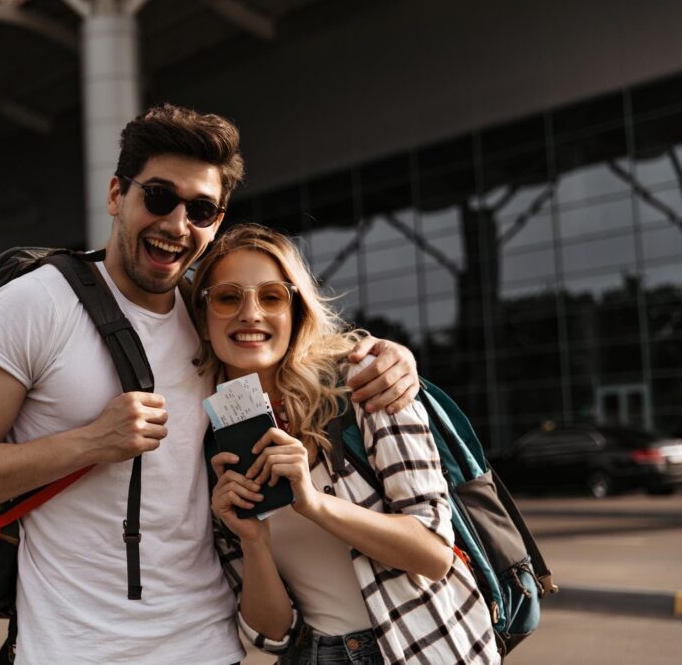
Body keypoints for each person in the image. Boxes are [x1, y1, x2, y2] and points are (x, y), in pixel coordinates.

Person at [0, 105, 421, 664]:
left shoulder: (210, 316)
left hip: (206, 645)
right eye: (159, 197)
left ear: (217, 222)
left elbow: (297, 349)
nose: (178, 224)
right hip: (73, 648)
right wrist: (91, 442)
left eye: (202, 209)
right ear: (116, 196)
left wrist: (387, 355)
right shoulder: (36, 304)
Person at [195, 223, 500, 665]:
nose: (251, 313)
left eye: (272, 296)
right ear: (204, 319)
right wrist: (253, 541)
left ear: (296, 310)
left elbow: (434, 553)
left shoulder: (363, 385)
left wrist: (313, 503)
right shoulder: (207, 438)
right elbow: (273, 634)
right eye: (228, 297)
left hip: (420, 649)